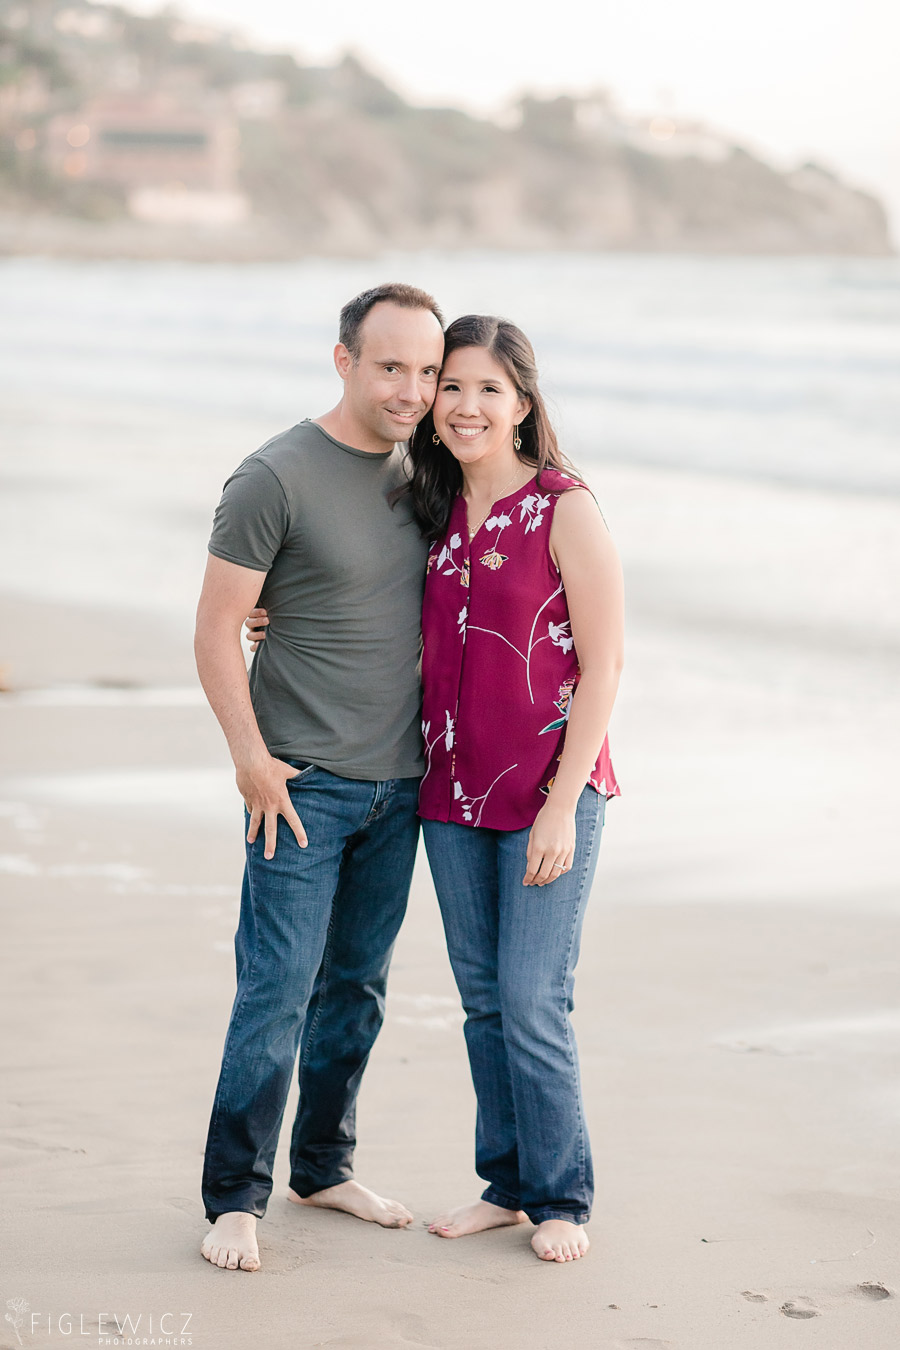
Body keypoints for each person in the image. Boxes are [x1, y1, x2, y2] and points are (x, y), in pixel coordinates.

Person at [251, 312, 625, 1264]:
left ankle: (562, 1199)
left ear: (523, 401)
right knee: (485, 999)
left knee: (536, 998)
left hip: (546, 791)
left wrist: (561, 804)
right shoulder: (430, 505)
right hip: (450, 790)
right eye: (448, 387)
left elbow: (608, 663)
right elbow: (358, 592)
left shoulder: (564, 505)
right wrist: (273, 611)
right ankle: (506, 1187)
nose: (461, 405)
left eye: (485, 389)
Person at [194, 282, 445, 1273]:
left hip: (403, 787)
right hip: (302, 787)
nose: (413, 389)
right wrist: (251, 761)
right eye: (392, 366)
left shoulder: (434, 471)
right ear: (344, 361)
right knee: (277, 992)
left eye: (427, 371)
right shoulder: (274, 476)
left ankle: (323, 1167)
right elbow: (218, 628)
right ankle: (233, 1198)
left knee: (358, 991)